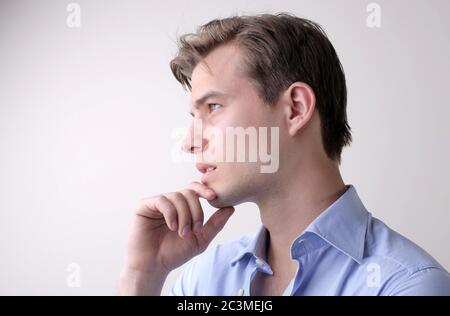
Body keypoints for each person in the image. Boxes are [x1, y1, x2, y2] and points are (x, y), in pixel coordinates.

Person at [118, 13, 450, 296]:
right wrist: (142, 275)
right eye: (194, 117)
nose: (188, 143)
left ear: (296, 108)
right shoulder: (204, 279)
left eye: (213, 107)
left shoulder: (406, 285)